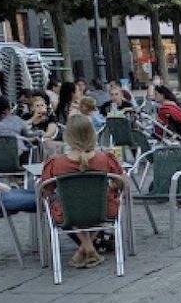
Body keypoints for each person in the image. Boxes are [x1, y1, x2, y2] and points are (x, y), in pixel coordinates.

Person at [40, 115, 125, 269]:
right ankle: (89, 248)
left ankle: (86, 248)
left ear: (68, 136)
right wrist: (112, 186)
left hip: (69, 211)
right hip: (102, 209)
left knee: (66, 204)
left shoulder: (56, 162)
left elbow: (45, 191)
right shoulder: (105, 159)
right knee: (100, 200)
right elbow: (122, 184)